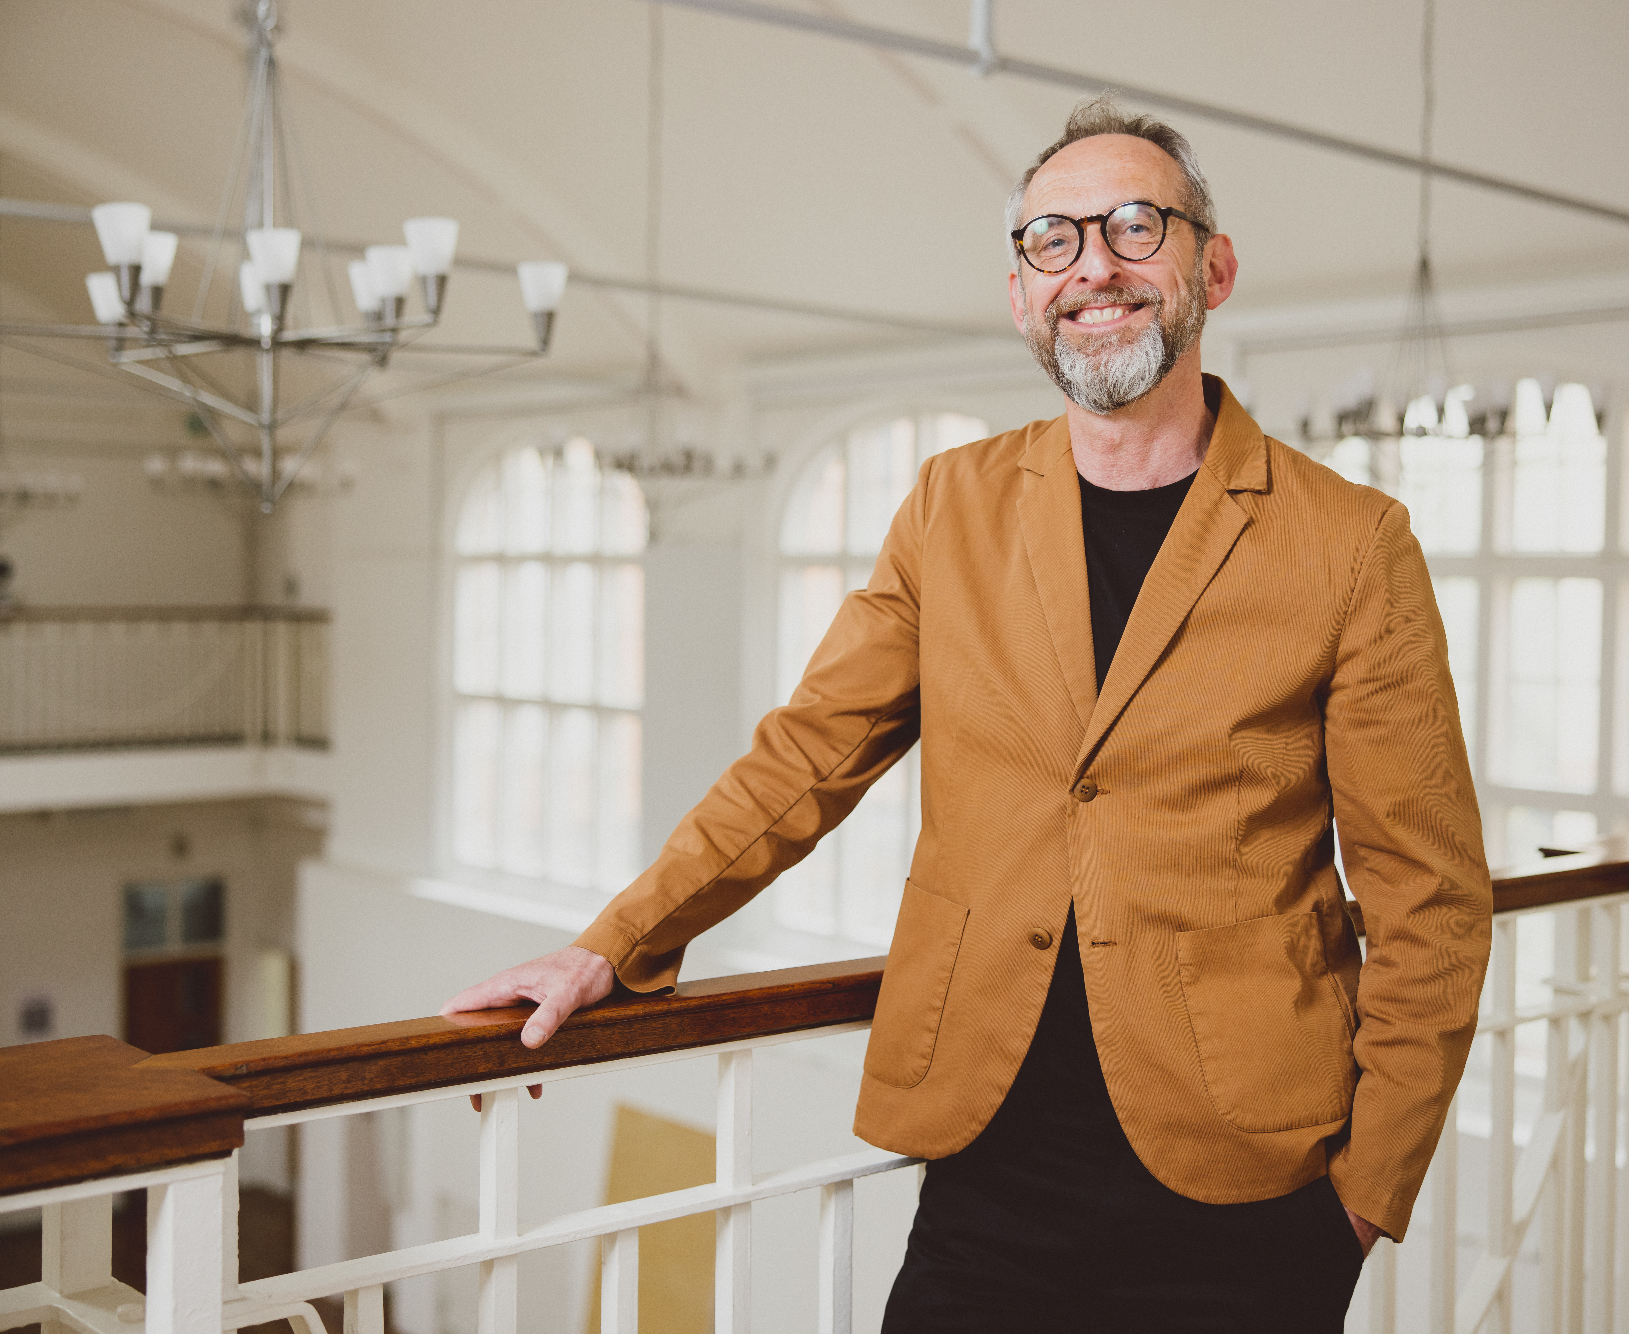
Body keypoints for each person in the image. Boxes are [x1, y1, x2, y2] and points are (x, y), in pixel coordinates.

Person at [443, 96, 1492, 1332]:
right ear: (1019, 295)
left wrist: (1362, 1198)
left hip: (1250, 1193)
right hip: (990, 1167)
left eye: (1132, 226)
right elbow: (807, 755)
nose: (1092, 265)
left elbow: (1426, 895)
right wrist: (614, 942)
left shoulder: (1351, 542)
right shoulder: (953, 503)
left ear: (1211, 265)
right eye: (1052, 241)